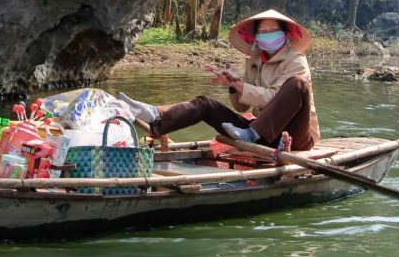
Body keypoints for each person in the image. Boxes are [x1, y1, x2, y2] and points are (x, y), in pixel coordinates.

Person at [120, 9, 320, 151]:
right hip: (260, 133)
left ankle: (252, 134)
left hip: (294, 138)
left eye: (272, 31)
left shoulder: (296, 60)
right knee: (205, 104)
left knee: (298, 84)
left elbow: (272, 99)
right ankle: (156, 118)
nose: (267, 35)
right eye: (263, 32)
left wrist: (240, 85)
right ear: (256, 37)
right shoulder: (254, 61)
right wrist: (232, 86)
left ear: (285, 34)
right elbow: (242, 108)